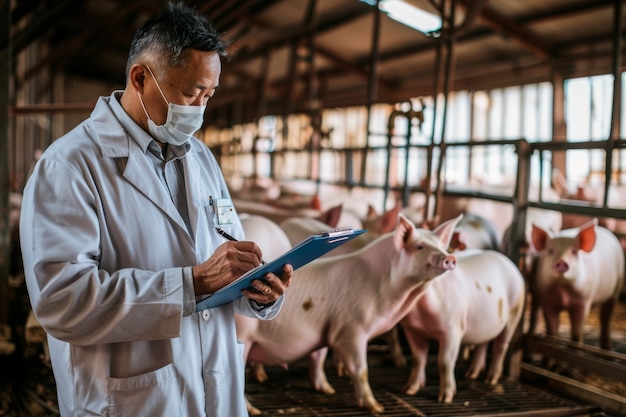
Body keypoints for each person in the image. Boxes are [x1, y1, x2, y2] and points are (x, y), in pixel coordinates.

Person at [19, 3, 293, 416]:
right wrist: (190, 284)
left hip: (214, 385)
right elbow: (63, 301)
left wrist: (256, 289)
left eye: (208, 94)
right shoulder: (70, 165)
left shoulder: (200, 158)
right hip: (134, 399)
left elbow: (226, 253)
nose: (199, 108)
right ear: (141, 77)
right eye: (189, 92)